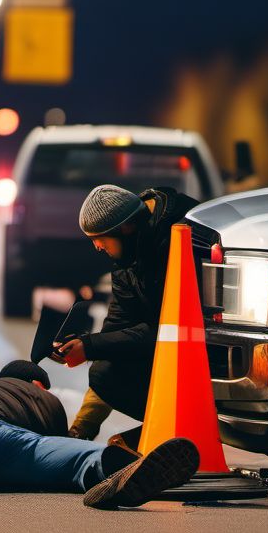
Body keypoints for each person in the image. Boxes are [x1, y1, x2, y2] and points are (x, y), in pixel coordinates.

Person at [0, 360, 197, 509]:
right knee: (73, 461)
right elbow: (56, 447)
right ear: (38, 384)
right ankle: (113, 470)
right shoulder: (40, 397)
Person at [54, 183, 197, 441]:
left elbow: (167, 329)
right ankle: (155, 435)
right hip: (166, 344)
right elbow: (118, 328)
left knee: (109, 367)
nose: (97, 247)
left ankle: (173, 433)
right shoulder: (128, 256)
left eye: (100, 239)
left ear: (125, 228)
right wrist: (79, 432)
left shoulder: (179, 238)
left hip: (201, 349)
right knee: (105, 371)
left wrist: (91, 345)